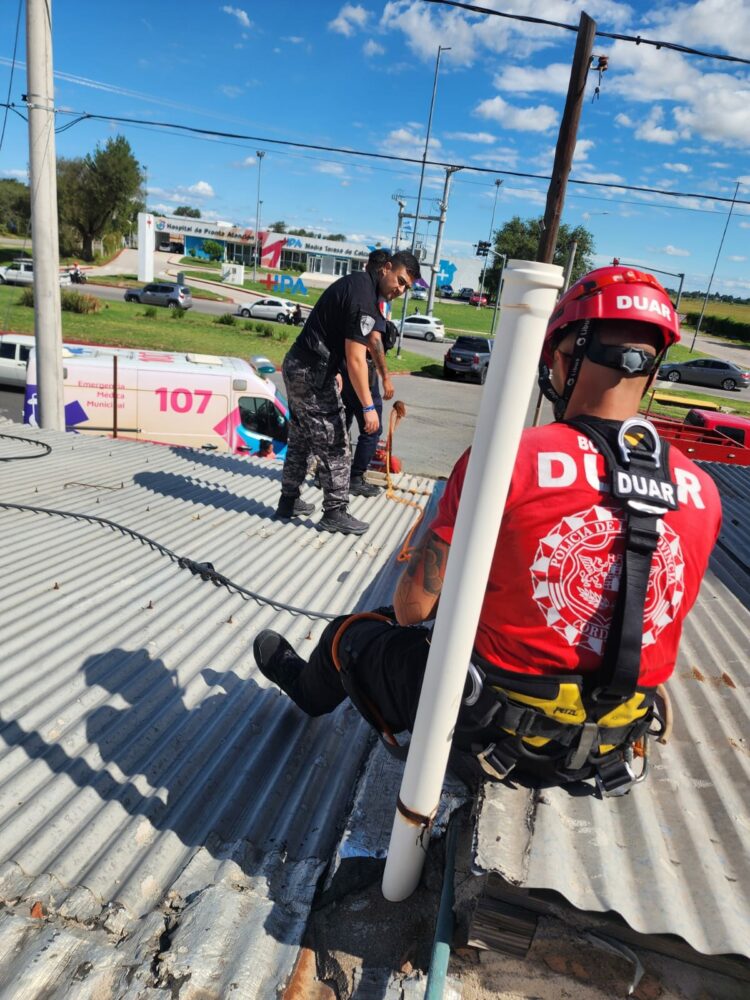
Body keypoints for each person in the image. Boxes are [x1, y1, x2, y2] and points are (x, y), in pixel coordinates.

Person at [254, 266, 722, 790]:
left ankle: (304, 686)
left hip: (497, 738)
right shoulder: (702, 489)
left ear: (563, 358)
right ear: (653, 371)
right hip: (611, 749)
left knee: (355, 633)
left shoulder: (508, 460)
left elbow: (413, 609)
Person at [276, 249, 420, 535]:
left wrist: (337, 371)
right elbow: (356, 358)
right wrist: (368, 407)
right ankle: (335, 511)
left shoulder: (358, 285)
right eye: (400, 281)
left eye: (406, 287)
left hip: (301, 366)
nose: (400, 290)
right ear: (387, 268)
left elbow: (357, 339)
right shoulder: (363, 296)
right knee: (336, 441)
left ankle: (288, 500)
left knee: (302, 439)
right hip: (310, 372)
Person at [340, 249, 397, 498]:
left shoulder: (350, 287)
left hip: (339, 369)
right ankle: (355, 477)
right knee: (372, 427)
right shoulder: (374, 298)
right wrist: (385, 377)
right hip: (360, 369)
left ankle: (330, 474)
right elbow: (375, 341)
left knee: (341, 423)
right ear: (385, 268)